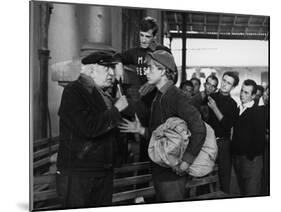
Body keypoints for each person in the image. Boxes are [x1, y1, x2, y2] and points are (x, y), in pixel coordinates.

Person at [119, 50, 206, 202]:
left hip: (172, 175)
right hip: (161, 170)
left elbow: (199, 129)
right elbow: (160, 134)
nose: (146, 71)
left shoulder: (176, 96)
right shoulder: (159, 96)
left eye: (151, 68)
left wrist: (186, 162)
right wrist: (141, 130)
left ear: (163, 71)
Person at [56, 51, 128, 208]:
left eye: (112, 68)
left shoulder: (102, 94)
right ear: (90, 70)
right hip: (80, 173)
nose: (112, 73)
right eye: (107, 68)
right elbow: (88, 128)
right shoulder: (73, 91)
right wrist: (115, 110)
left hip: (102, 170)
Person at [120, 16, 172, 162]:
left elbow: (173, 75)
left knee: (159, 139)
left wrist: (151, 85)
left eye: (147, 36)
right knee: (144, 144)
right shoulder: (134, 53)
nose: (143, 40)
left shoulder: (162, 51)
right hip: (143, 105)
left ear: (154, 37)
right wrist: (118, 64)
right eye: (141, 35)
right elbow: (118, 57)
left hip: (160, 104)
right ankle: (143, 179)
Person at [206, 71, 239, 193]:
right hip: (207, 142)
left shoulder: (233, 104)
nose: (225, 84)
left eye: (229, 83)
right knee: (204, 175)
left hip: (223, 143)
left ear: (233, 87)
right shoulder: (210, 97)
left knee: (224, 177)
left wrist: (215, 108)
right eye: (224, 80)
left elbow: (227, 125)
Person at [232, 79, 266, 196]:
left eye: (246, 93)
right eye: (242, 91)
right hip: (238, 158)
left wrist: (249, 156)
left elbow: (260, 139)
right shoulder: (239, 109)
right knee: (241, 192)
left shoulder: (258, 112)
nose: (242, 94)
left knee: (251, 193)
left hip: (251, 160)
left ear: (253, 95)